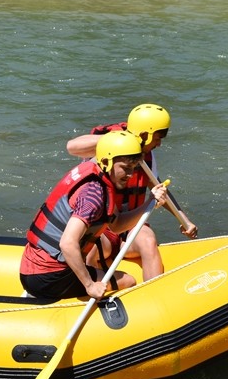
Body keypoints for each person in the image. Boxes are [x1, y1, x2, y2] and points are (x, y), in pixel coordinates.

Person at [20, 130, 171, 301]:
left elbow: (117, 224)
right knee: (128, 281)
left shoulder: (96, 173)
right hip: (50, 277)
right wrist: (90, 286)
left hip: (32, 268)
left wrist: (150, 202)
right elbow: (68, 243)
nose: (130, 175)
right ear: (107, 162)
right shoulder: (93, 196)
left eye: (133, 168)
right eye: (125, 168)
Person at [65, 103, 199, 281]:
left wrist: (184, 220)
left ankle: (154, 293)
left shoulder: (147, 157)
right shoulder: (109, 146)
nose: (159, 144)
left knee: (148, 239)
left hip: (130, 225)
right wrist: (124, 140)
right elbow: (72, 147)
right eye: (158, 138)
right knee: (91, 251)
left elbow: (157, 188)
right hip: (103, 226)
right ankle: (90, 292)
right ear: (145, 134)